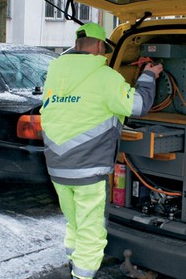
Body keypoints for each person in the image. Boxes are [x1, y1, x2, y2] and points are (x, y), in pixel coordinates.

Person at [40, 22, 163, 279]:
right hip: (88, 170)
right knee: (92, 231)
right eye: (104, 48)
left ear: (77, 44)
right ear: (98, 46)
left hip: (57, 168)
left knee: (75, 223)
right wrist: (149, 76)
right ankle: (82, 275)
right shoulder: (105, 77)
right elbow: (137, 106)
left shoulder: (55, 72)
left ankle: (73, 264)